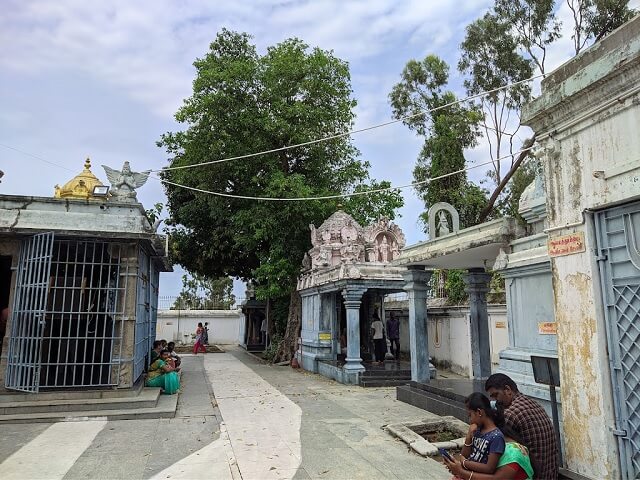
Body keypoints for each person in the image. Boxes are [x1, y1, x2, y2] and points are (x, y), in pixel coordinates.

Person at [485, 373, 558, 480]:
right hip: (550, 474)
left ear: (507, 390)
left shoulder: (510, 414)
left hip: (535, 475)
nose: (496, 400)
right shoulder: (532, 402)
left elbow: (493, 453)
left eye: (496, 395)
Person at [445, 423, 534, 479]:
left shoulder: (513, 454)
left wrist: (462, 471)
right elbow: (468, 458)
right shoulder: (487, 443)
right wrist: (469, 437)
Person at [452, 392, 506, 478]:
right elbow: (464, 455)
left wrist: (465, 463)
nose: (470, 420)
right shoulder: (477, 430)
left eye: (470, 415)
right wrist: (469, 436)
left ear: (479, 412)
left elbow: (489, 468)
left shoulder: (496, 437)